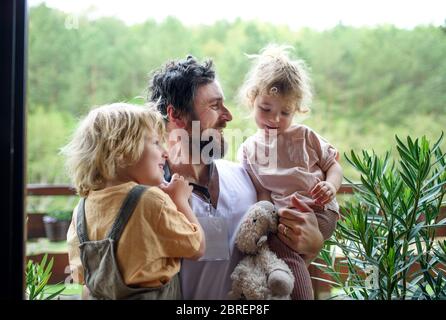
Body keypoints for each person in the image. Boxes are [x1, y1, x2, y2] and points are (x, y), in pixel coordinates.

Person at [149, 55, 326, 300]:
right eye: (214, 106)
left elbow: (279, 263)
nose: (228, 116)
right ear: (177, 115)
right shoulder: (151, 196)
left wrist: (314, 245)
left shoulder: (246, 179)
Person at [63, 102, 205, 300]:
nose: (165, 152)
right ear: (122, 152)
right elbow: (197, 247)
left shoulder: (81, 209)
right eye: (156, 142)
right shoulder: (150, 200)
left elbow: (81, 277)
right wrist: (179, 199)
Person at [237, 45, 343, 299]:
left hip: (319, 210)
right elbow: (263, 194)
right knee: (275, 250)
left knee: (284, 255)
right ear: (252, 100)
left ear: (297, 110)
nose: (274, 119)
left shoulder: (305, 136)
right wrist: (266, 223)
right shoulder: (248, 149)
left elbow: (334, 166)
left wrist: (330, 186)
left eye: (285, 112)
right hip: (284, 217)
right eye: (266, 109)